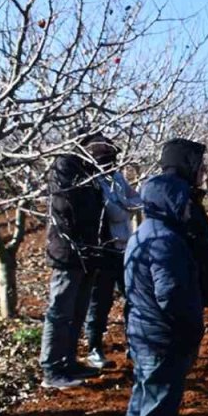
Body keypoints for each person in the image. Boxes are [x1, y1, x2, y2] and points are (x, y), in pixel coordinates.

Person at [119, 173, 204, 416]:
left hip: (143, 332)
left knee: (141, 399)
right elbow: (169, 293)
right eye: (182, 201)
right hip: (161, 337)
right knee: (158, 410)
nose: (186, 209)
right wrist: (187, 327)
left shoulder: (143, 233)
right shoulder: (165, 241)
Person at [39, 136, 108, 389]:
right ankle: (52, 368)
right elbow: (68, 208)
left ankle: (68, 360)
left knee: (78, 309)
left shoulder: (87, 171)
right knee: (60, 310)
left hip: (87, 251)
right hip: (68, 252)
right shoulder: (65, 166)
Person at [82, 138, 142, 370]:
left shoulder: (116, 178)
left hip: (124, 249)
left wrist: (125, 204)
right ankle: (94, 347)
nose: (112, 165)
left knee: (133, 297)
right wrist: (126, 205)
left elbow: (136, 200)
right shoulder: (93, 183)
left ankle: (133, 343)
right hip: (104, 250)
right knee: (100, 302)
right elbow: (116, 212)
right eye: (107, 161)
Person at [159, 139, 208, 310]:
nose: (205, 170)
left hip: (191, 297)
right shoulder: (179, 206)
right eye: (200, 166)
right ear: (187, 167)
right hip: (182, 303)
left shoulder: (186, 200)